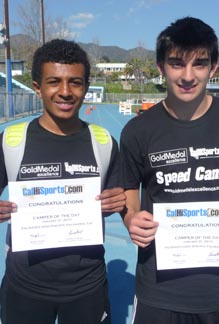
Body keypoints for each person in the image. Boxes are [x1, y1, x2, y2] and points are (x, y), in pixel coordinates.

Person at [120, 16, 219, 324]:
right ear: (161, 66)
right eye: (177, 64)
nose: (188, 76)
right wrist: (130, 218)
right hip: (158, 290)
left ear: (214, 68)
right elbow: (129, 188)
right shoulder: (138, 130)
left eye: (200, 64)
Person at [0, 39, 125, 324]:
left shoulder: (104, 143)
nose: (66, 92)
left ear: (86, 86)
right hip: (24, 287)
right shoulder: (10, 142)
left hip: (87, 288)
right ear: (37, 87)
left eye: (76, 82)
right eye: (54, 81)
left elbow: (121, 198)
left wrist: (117, 201)